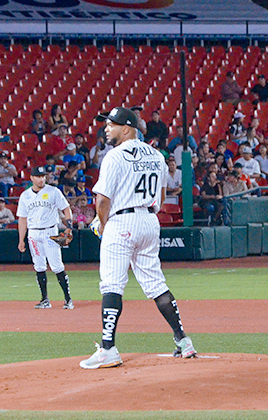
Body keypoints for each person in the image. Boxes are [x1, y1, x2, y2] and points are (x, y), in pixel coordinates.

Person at [80, 107, 196, 370]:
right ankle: (183, 340)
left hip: (122, 220)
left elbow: (102, 200)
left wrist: (104, 223)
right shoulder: (157, 155)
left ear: (127, 128)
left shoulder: (114, 156)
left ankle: (108, 348)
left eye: (111, 124)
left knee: (111, 284)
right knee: (156, 284)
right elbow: (163, 192)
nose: (106, 128)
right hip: (149, 219)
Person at [16, 165, 74, 310]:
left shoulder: (53, 191)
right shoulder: (25, 196)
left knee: (57, 266)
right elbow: (22, 219)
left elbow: (66, 208)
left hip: (50, 232)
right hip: (33, 233)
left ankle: (68, 299)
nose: (41, 179)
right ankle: (44, 300)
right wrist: (21, 239)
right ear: (31, 178)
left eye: (43, 176)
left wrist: (68, 226)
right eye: (38, 176)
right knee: (39, 266)